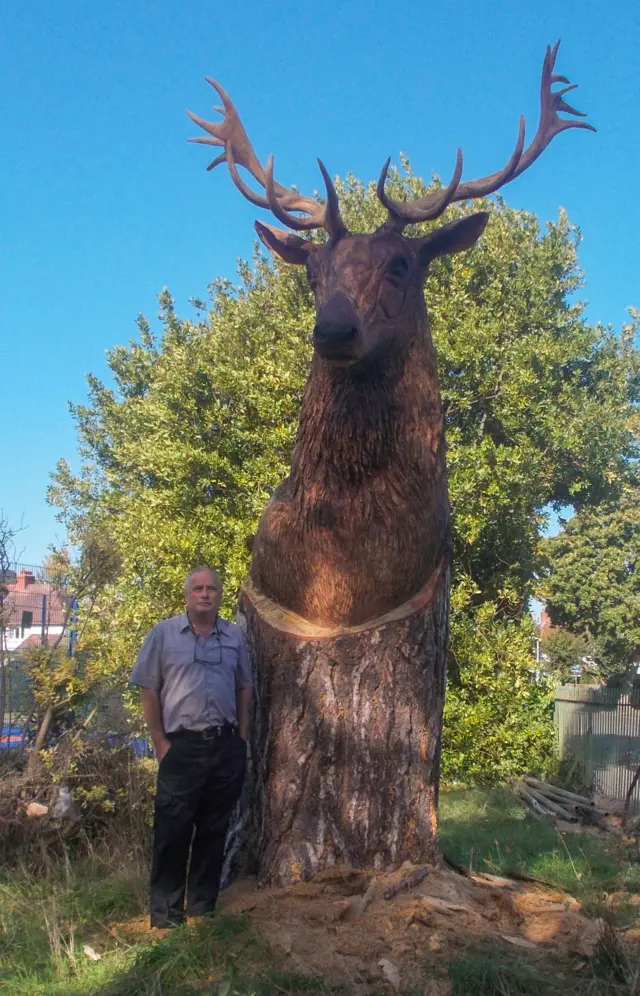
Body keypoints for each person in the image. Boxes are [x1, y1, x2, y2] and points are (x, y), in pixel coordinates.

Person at [131, 566, 252, 928]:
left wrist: (242, 739)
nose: (204, 594)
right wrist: (159, 742)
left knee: (214, 830)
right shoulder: (164, 635)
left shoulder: (234, 637)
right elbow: (148, 688)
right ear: (187, 596)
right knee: (172, 831)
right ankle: (166, 916)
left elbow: (245, 686)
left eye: (211, 589)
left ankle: (202, 908)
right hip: (181, 748)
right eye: (197, 589)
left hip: (224, 746)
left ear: (219, 595)